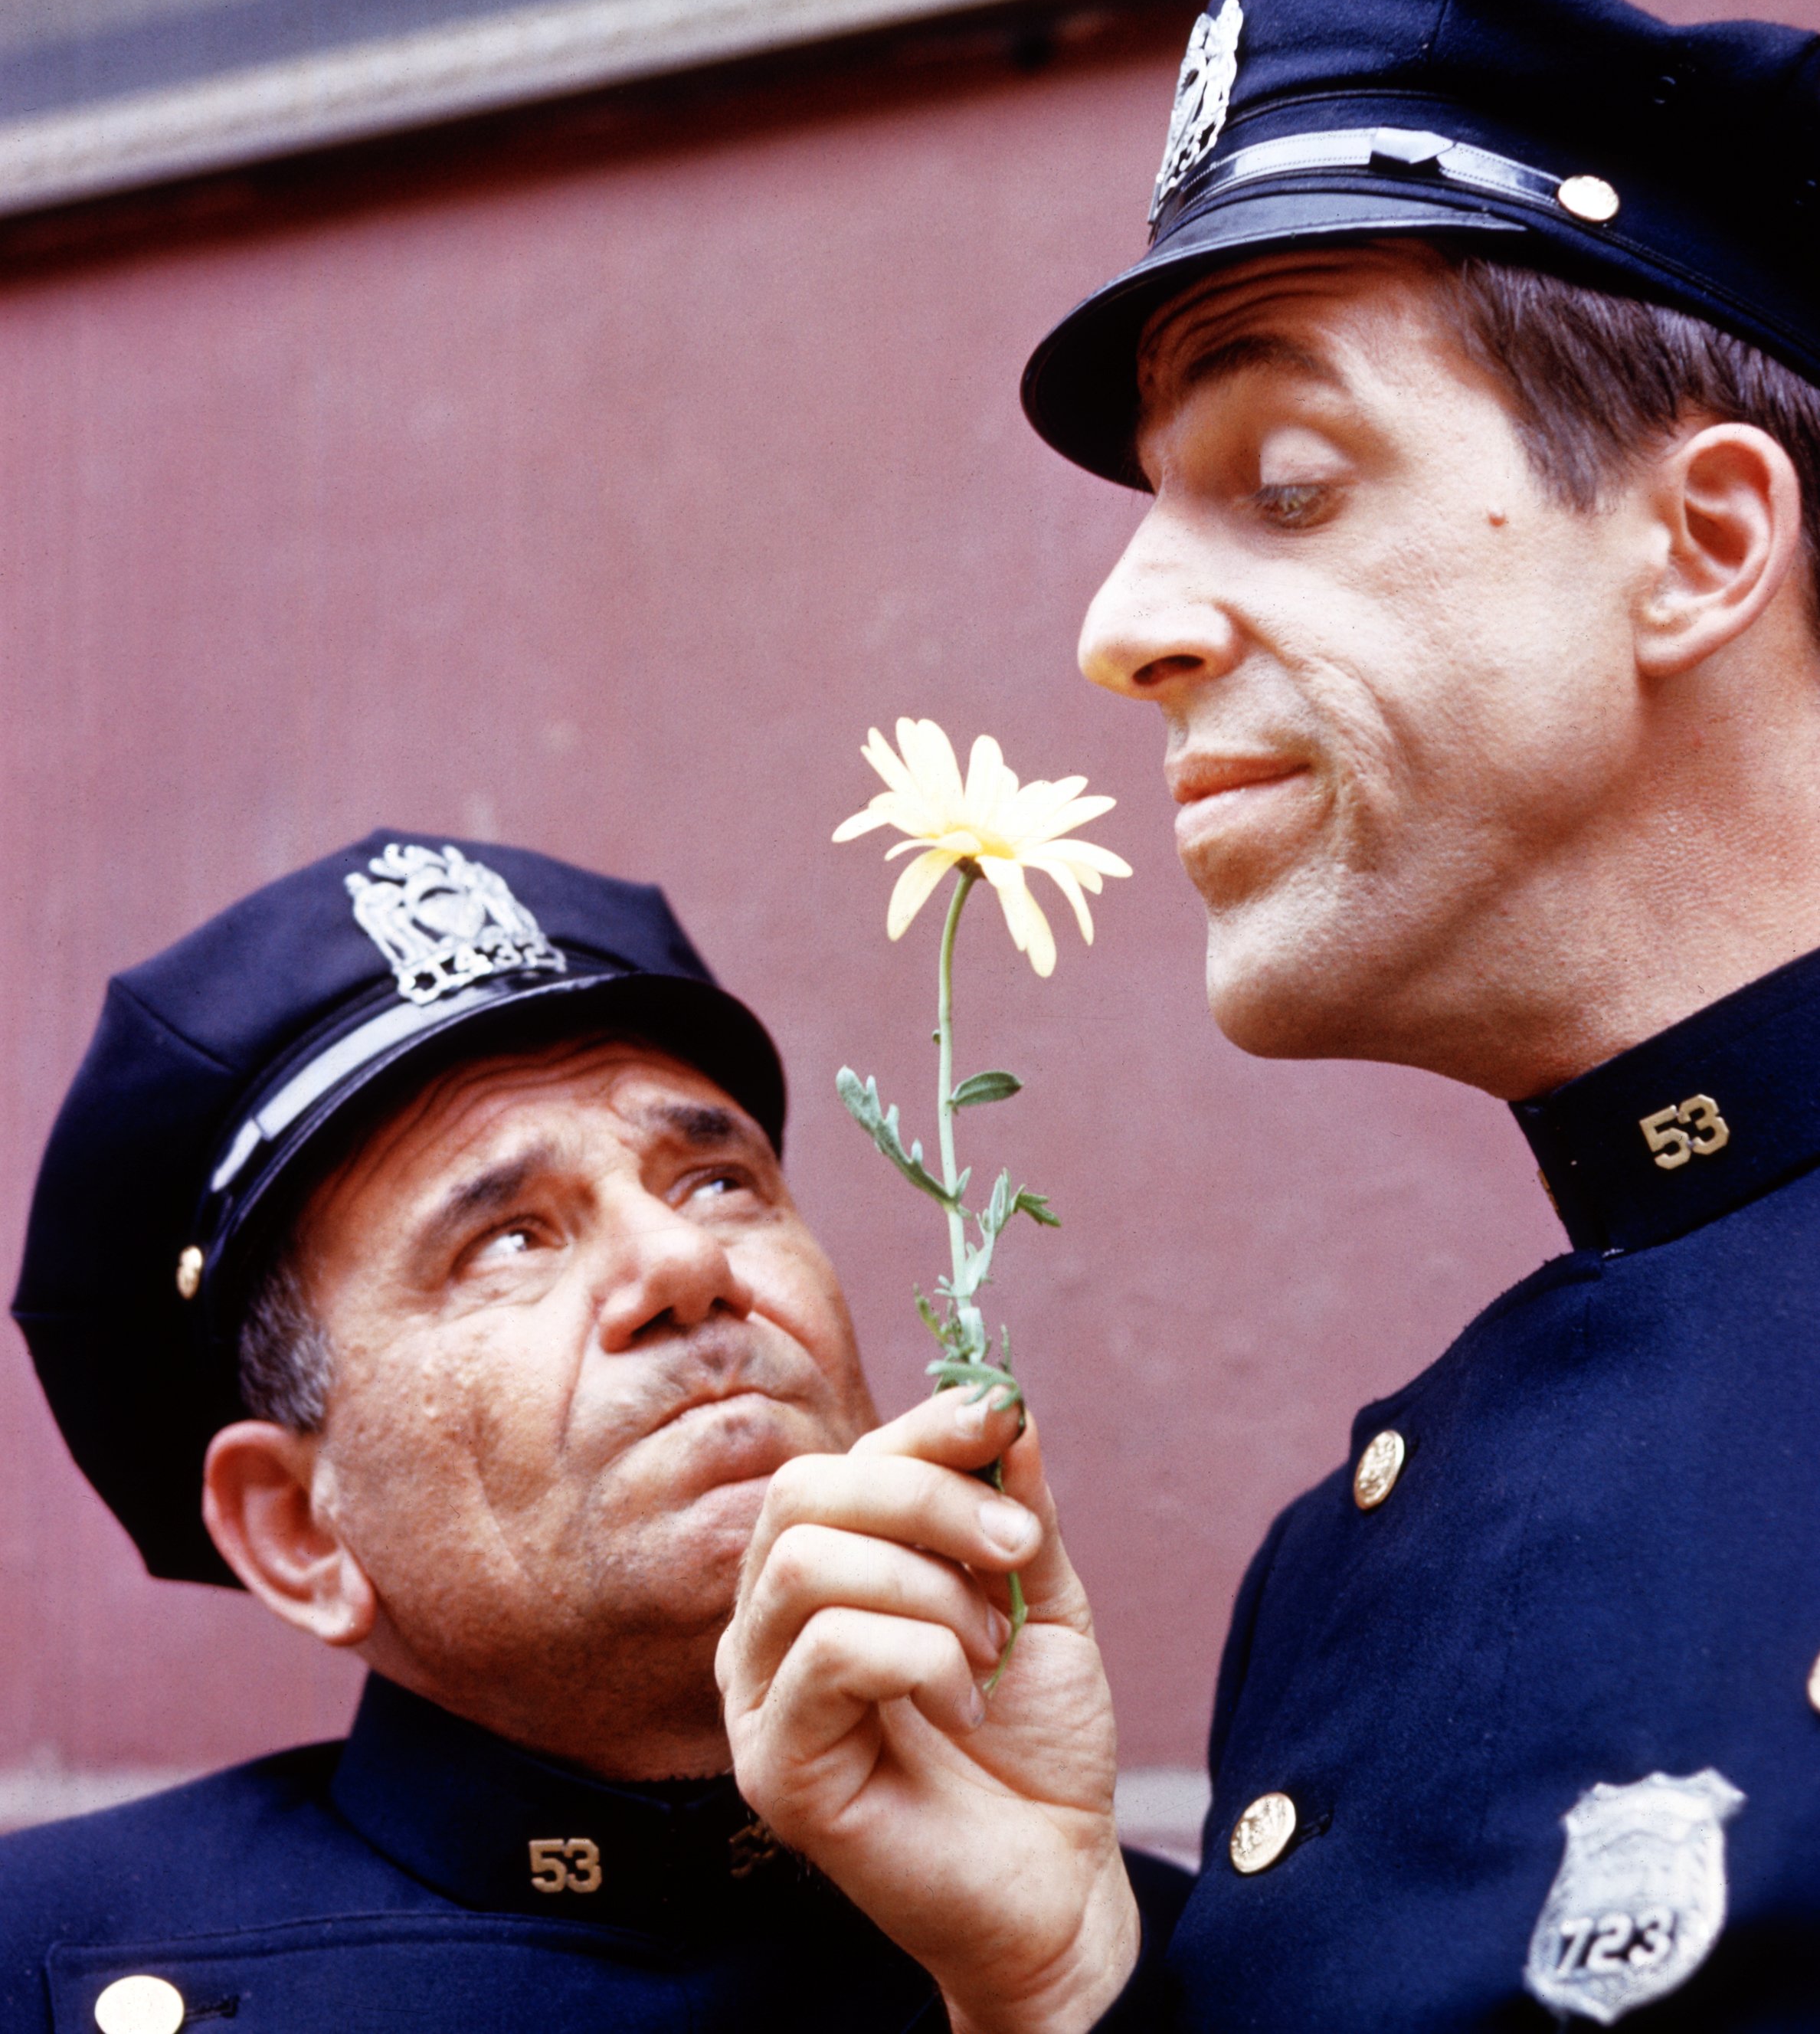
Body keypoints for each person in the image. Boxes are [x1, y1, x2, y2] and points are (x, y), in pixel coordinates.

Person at [718, 0, 1820, 2029]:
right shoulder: (1344, 1564)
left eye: (1288, 484)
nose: (1121, 624)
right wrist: (1053, 1975)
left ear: (1700, 544)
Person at [5, 832, 1194, 2033]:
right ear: (300, 1528)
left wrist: (1052, 1994)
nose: (687, 1263)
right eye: (509, 1237)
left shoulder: (1146, 1944)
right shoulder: (46, 1961)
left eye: (717, 1181)